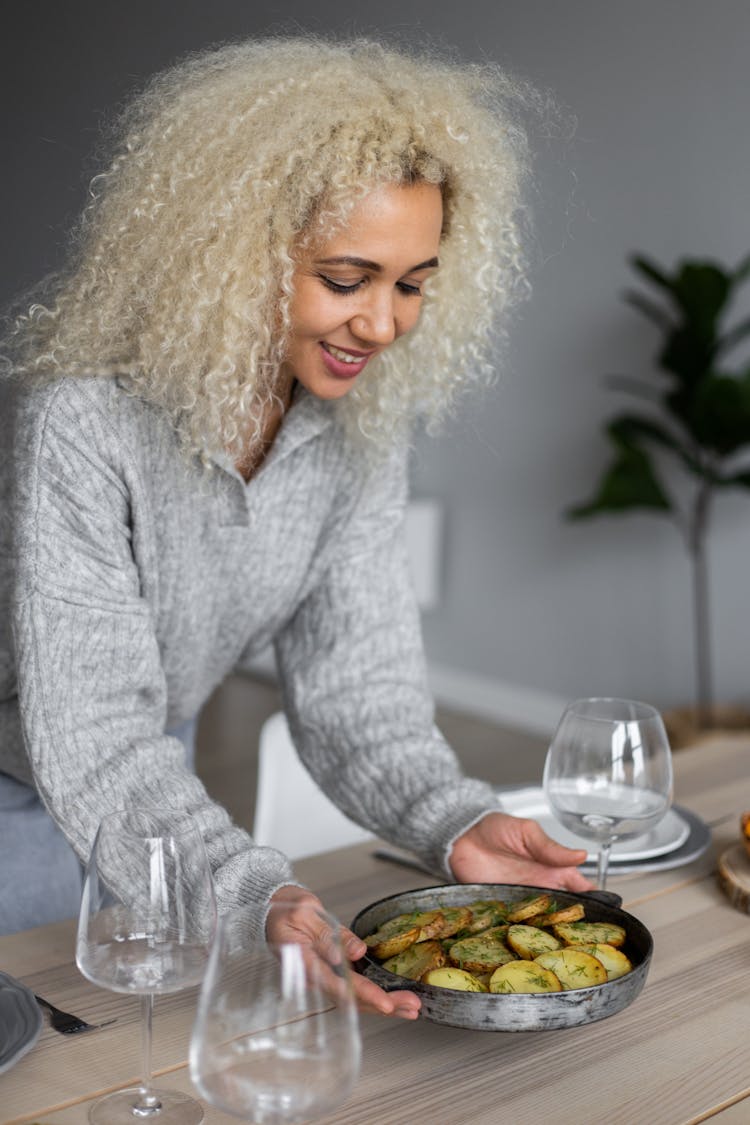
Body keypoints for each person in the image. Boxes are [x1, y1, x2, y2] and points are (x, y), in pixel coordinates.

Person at [0, 35, 589, 1017]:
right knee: (49, 1048)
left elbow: (359, 689)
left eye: (411, 283)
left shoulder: (357, 432)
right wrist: (243, 886)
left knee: (150, 1025)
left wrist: (453, 822)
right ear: (232, 258)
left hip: (148, 756)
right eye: (348, 278)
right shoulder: (82, 423)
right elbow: (88, 726)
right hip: (17, 765)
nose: (386, 324)